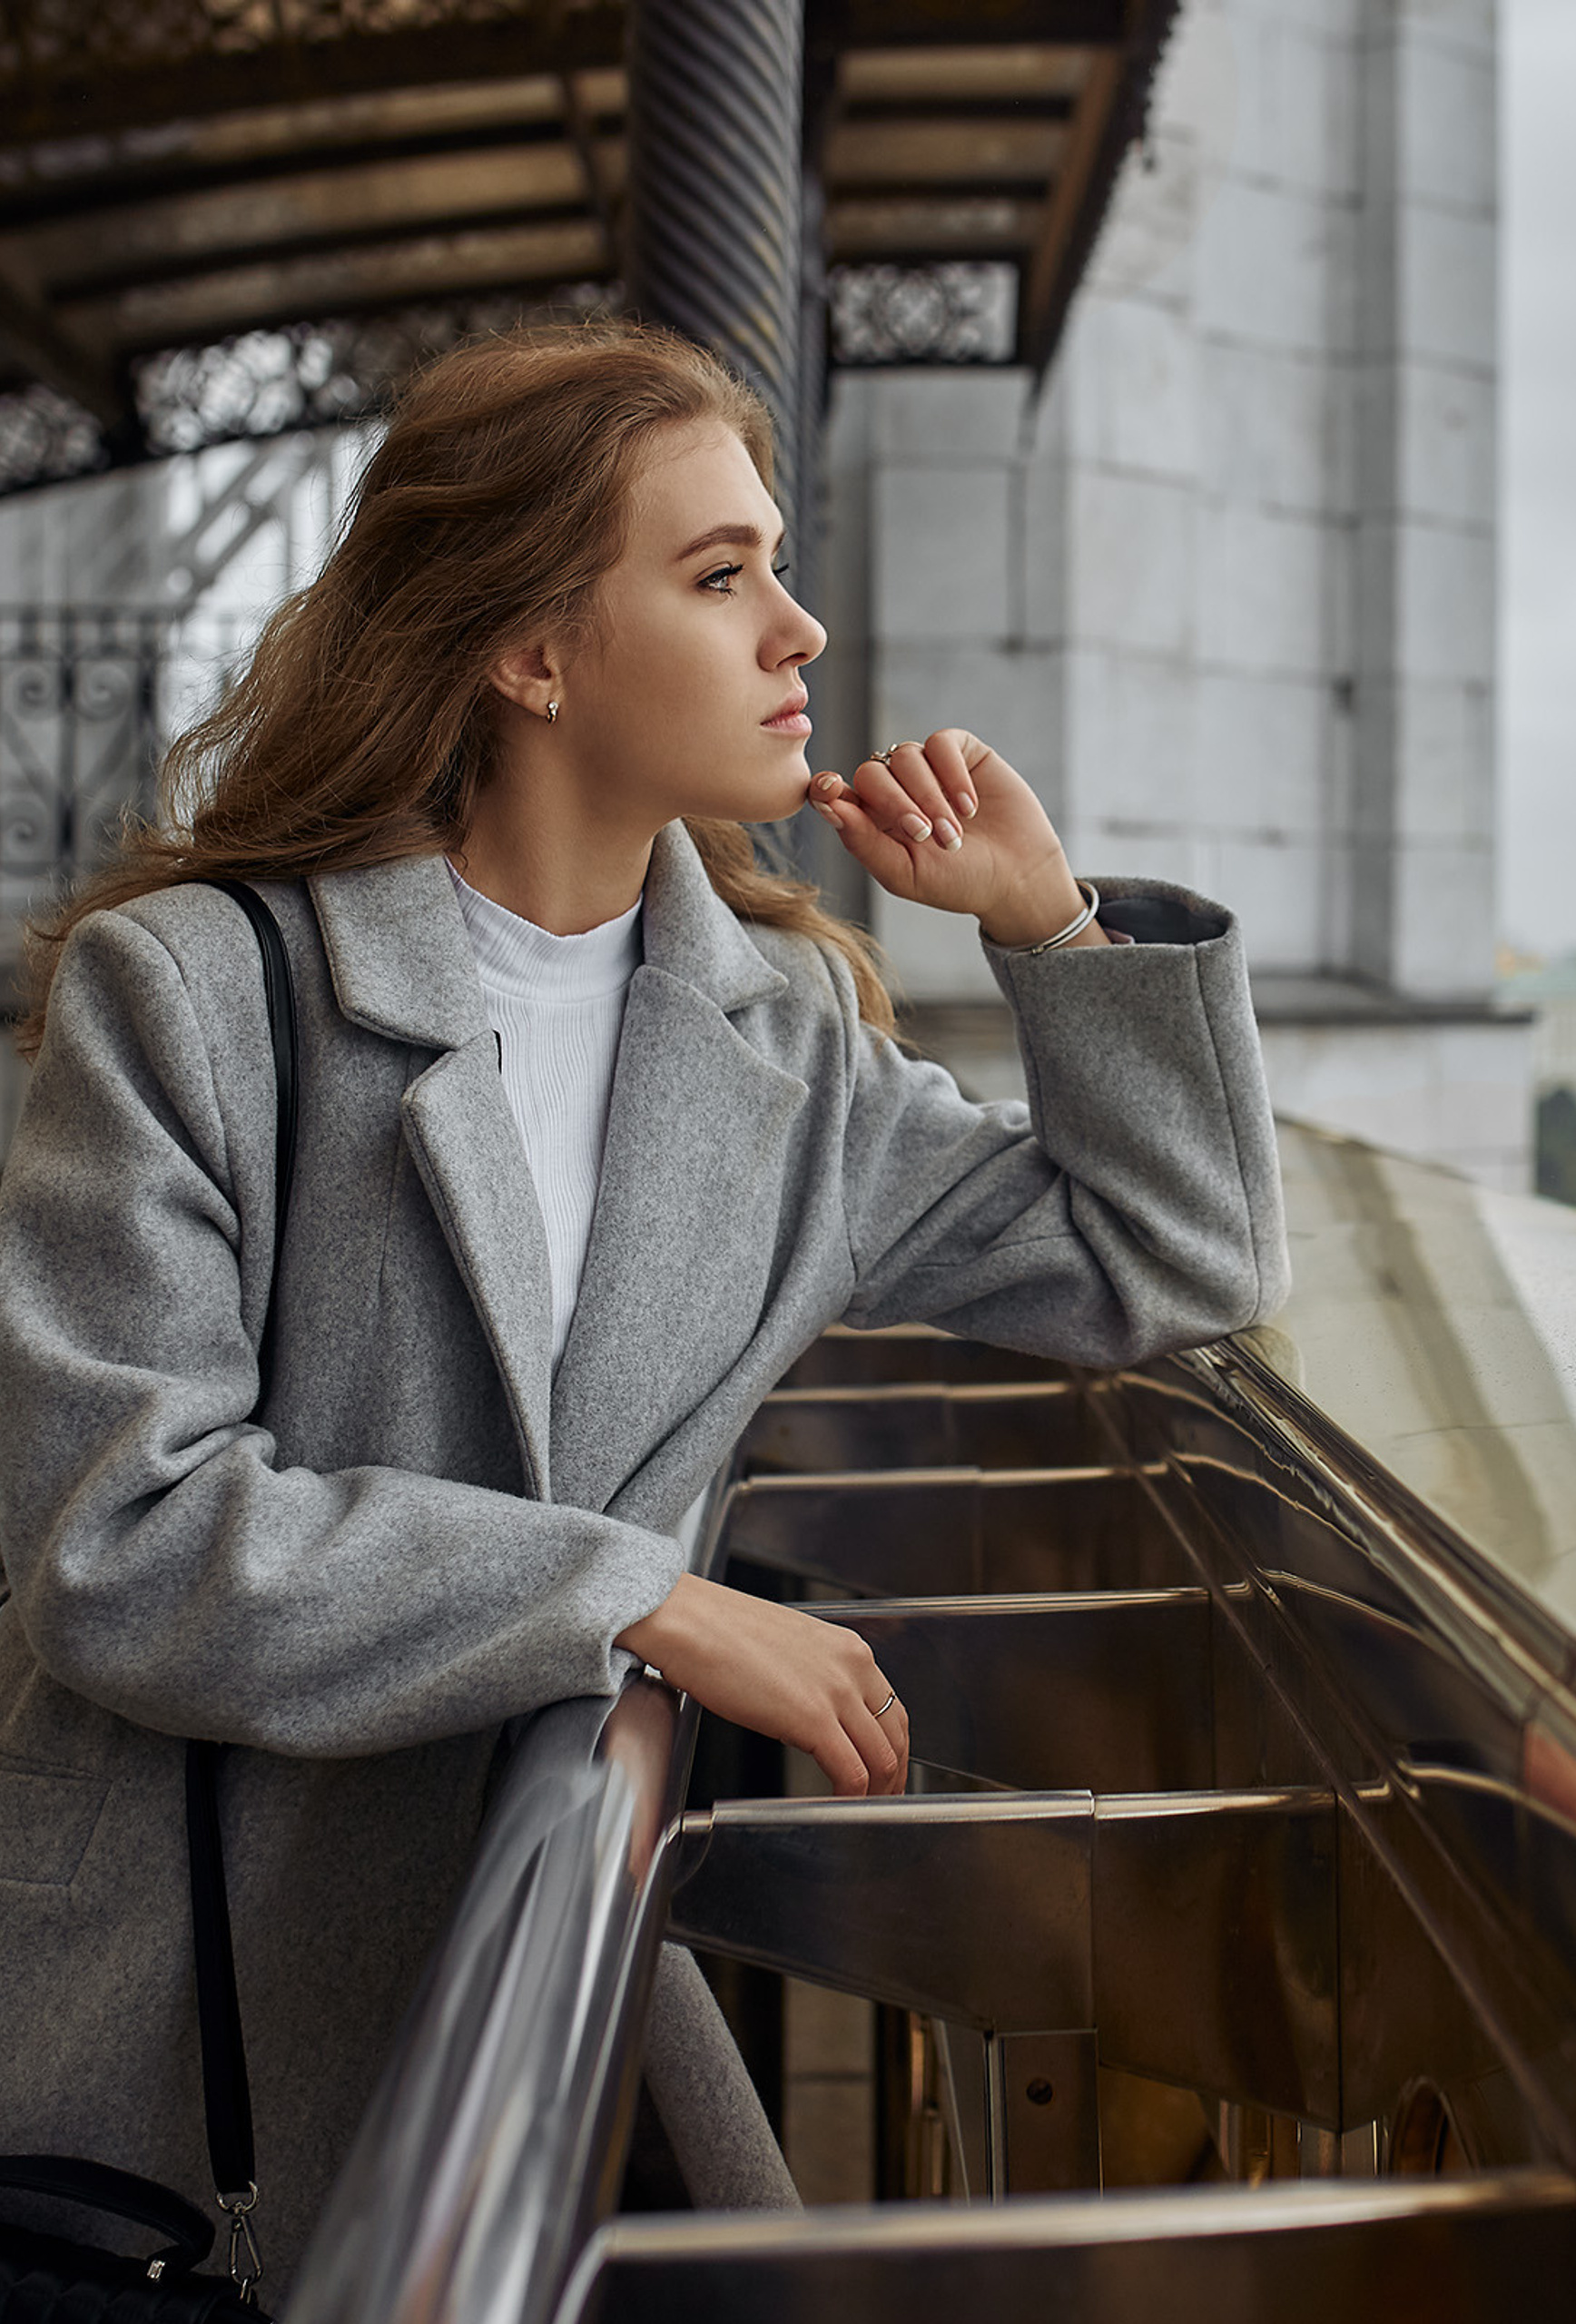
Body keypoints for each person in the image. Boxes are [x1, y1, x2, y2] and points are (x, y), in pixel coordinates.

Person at [0, 320, 1286, 2287]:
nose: (801, 628)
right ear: (532, 652)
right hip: (182, 2036)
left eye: (776, 564)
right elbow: (121, 1536)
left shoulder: (787, 1043)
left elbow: (1172, 1259)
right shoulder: (195, 993)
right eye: (719, 574)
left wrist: (1052, 926)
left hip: (545, 1982)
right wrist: (640, 1599)